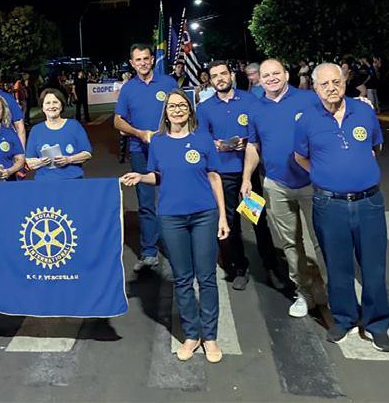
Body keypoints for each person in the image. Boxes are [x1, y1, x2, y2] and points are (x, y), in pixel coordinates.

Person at [121, 88, 229, 363]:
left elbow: (214, 177)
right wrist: (140, 177)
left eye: (182, 105)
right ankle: (192, 335)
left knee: (206, 278)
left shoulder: (203, 138)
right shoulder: (158, 142)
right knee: (182, 278)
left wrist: (222, 216)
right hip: (171, 218)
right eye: (172, 106)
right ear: (166, 113)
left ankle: (210, 337)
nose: (178, 110)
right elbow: (158, 176)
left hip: (204, 215)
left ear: (190, 110)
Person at [294, 63, 389, 352]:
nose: (331, 88)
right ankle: (344, 318)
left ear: (344, 81)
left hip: (368, 203)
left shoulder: (363, 111)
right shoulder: (306, 120)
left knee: (374, 267)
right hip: (330, 204)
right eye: (324, 84)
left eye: (336, 82)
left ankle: (376, 324)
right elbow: (301, 157)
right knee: (338, 267)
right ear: (315, 88)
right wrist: (325, 175)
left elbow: (376, 147)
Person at [241, 59, 327, 318]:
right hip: (277, 184)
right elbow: (253, 146)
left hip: (313, 182)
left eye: (276, 73)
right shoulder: (256, 109)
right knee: (290, 243)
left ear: (286, 74)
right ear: (259, 79)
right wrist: (246, 178)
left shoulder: (308, 99)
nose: (271, 78)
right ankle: (303, 291)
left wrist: (361, 103)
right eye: (266, 75)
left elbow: (336, 115)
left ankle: (329, 288)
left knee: (322, 240)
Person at [197, 61, 283, 291]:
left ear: (231, 76)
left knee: (257, 220)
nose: (220, 78)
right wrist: (216, 145)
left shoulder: (249, 100)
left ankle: (271, 267)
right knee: (231, 223)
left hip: (248, 173)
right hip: (223, 175)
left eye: (223, 74)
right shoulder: (205, 108)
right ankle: (239, 269)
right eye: (215, 76)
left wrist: (248, 142)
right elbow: (202, 140)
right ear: (210, 80)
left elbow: (262, 128)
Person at [114, 44, 178, 271]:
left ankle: (176, 248)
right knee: (146, 202)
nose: (142, 63)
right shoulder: (128, 89)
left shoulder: (168, 83)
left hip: (169, 150)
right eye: (138, 60)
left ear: (152, 60)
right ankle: (149, 252)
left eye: (145, 58)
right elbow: (118, 121)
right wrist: (139, 133)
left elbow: (183, 109)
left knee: (173, 198)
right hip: (139, 151)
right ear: (132, 63)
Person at [26, 89, 92, 179]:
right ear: (43, 108)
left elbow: (87, 153)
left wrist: (69, 159)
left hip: (73, 179)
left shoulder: (74, 126)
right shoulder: (36, 130)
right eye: (48, 103)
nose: (51, 106)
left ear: (61, 105)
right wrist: (41, 162)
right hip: (44, 181)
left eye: (55, 102)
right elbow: (29, 161)